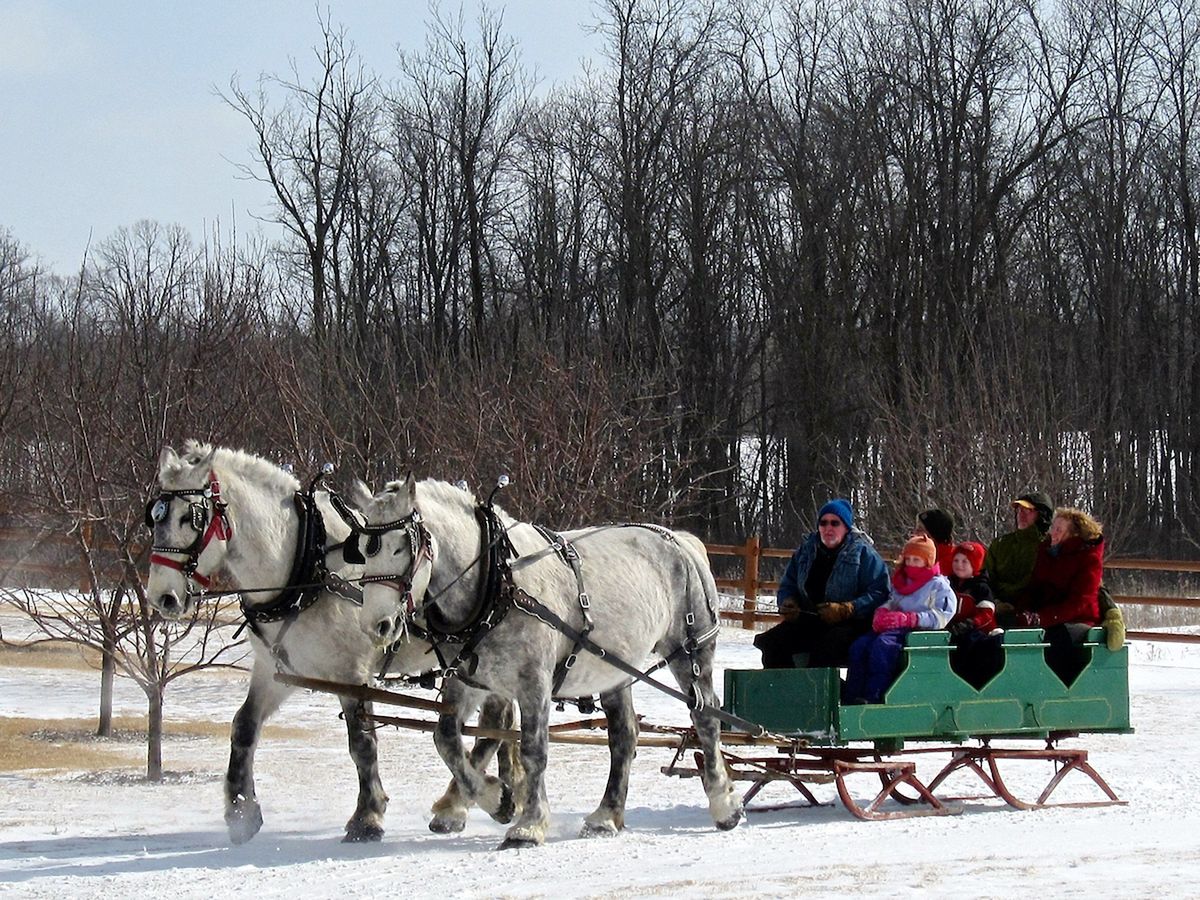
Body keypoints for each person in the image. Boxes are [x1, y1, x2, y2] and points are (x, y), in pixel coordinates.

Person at [753, 498, 889, 669]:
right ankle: (787, 690)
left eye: (835, 523)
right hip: (810, 620)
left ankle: (822, 693)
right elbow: (789, 583)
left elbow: (880, 593)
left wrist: (847, 608)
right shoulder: (806, 551)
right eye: (823, 523)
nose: (828, 528)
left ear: (846, 527)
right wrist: (788, 601)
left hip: (852, 625)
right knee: (771, 643)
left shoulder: (864, 554)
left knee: (825, 648)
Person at [843, 535, 956, 704]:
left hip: (917, 632)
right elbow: (893, 601)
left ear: (927, 562)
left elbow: (942, 615)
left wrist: (913, 619)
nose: (911, 564)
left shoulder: (938, 586)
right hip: (895, 626)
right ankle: (851, 695)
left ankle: (874, 694)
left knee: (883, 647)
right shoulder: (902, 581)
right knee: (859, 646)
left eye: (916, 560)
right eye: (908, 559)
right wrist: (882, 612)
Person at [1014, 507, 1105, 683]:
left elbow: (1079, 602)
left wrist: (1041, 618)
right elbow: (1035, 587)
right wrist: (1021, 611)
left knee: (1054, 640)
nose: (1053, 534)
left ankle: (1055, 687)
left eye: (1059, 530)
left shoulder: (1088, 558)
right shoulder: (1046, 552)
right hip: (1048, 617)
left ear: (1072, 535)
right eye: (1053, 528)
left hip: (1078, 619)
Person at [946, 541, 1004, 688]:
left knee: (971, 644)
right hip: (955, 629)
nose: (959, 565)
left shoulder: (981, 587)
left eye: (965, 561)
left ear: (975, 565)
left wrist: (970, 624)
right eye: (956, 560)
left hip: (978, 630)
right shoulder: (948, 584)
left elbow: (986, 614)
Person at [984, 491, 1054, 609]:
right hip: (998, 611)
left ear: (1042, 515)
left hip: (1037, 612)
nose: (1021, 514)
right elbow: (987, 578)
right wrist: (996, 602)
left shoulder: (1050, 546)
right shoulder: (1000, 544)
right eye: (1019, 510)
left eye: (1028, 511)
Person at [916, 508, 957, 575]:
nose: (915, 533)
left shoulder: (952, 564)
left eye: (920, 529)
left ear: (934, 534)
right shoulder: (918, 556)